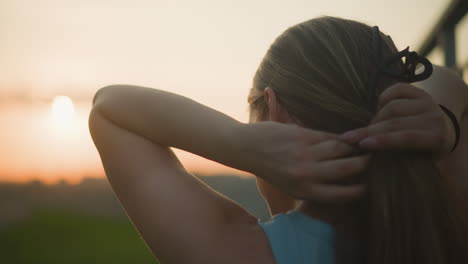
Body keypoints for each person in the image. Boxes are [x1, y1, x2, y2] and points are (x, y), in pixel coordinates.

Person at [89, 16, 468, 264]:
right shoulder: (450, 209)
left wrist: (236, 142)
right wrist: (444, 124)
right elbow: (450, 82)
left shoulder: (238, 251)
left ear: (272, 109)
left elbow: (108, 108)